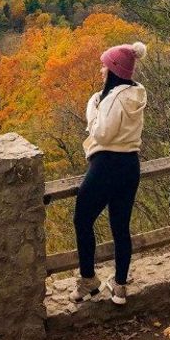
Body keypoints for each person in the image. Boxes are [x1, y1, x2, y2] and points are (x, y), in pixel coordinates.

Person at [69, 41, 147, 306]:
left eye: (105, 65)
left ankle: (89, 280)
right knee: (120, 227)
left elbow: (102, 133)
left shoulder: (113, 98)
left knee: (81, 219)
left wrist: (93, 110)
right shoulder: (136, 93)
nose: (101, 70)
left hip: (107, 164)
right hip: (130, 165)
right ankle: (120, 285)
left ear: (114, 69)